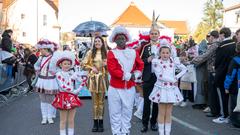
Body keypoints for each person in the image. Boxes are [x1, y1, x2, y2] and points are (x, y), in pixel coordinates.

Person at [107, 26, 144, 135]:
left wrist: (136, 74)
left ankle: (125, 132)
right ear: (115, 40)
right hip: (115, 88)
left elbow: (140, 65)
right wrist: (128, 76)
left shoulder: (133, 52)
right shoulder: (111, 53)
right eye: (118, 39)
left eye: (123, 38)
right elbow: (112, 70)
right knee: (115, 112)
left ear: (126, 39)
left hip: (129, 88)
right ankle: (116, 133)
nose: (121, 41)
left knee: (127, 112)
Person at [149, 44, 187, 135]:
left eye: (167, 53)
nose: (165, 54)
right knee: (162, 112)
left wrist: (176, 77)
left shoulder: (173, 62)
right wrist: (173, 79)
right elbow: (160, 76)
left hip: (171, 89)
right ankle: (161, 133)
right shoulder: (156, 62)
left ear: (170, 53)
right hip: (161, 89)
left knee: (169, 112)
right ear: (160, 53)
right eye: (163, 53)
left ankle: (168, 132)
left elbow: (184, 69)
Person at [51, 50, 87, 135]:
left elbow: (81, 80)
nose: (67, 65)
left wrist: (84, 77)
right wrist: (75, 91)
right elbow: (63, 87)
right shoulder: (58, 74)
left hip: (72, 97)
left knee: (71, 120)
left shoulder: (72, 73)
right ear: (60, 64)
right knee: (63, 120)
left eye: (68, 64)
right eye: (65, 64)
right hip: (63, 97)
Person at [139, 11, 160, 132]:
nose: (153, 35)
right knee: (146, 102)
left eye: (155, 33)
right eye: (152, 33)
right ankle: (144, 124)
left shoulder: (163, 46)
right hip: (147, 77)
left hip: (159, 78)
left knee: (156, 102)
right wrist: (147, 59)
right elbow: (140, 61)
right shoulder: (145, 47)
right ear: (150, 34)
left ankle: (154, 123)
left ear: (159, 34)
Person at [82, 36, 109, 132]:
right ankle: (95, 122)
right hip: (93, 79)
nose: (97, 43)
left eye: (99, 41)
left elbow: (112, 67)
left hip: (102, 79)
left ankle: (101, 122)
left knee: (101, 102)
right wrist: (91, 67)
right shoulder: (90, 52)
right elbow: (83, 64)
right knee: (94, 102)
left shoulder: (107, 53)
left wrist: (107, 65)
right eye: (96, 41)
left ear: (102, 43)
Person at [192, 30, 221, 117]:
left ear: (212, 37)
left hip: (212, 70)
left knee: (212, 90)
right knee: (210, 90)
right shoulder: (218, 44)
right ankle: (212, 108)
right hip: (213, 69)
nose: (209, 39)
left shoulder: (214, 45)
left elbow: (205, 55)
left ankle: (213, 109)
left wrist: (192, 61)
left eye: (210, 37)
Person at [213, 27, 236, 124]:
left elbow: (217, 61)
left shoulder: (221, 46)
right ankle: (230, 116)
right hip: (232, 73)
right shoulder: (235, 44)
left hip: (222, 74)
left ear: (222, 34)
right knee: (231, 96)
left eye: (220, 35)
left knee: (223, 95)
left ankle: (224, 115)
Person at [34, 39, 59, 124]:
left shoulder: (54, 58)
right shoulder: (40, 58)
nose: (40, 51)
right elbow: (36, 65)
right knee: (42, 99)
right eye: (40, 49)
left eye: (42, 49)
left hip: (51, 81)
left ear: (46, 49)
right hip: (41, 80)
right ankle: (44, 117)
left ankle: (50, 116)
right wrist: (37, 70)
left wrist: (55, 72)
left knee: (50, 99)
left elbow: (58, 68)